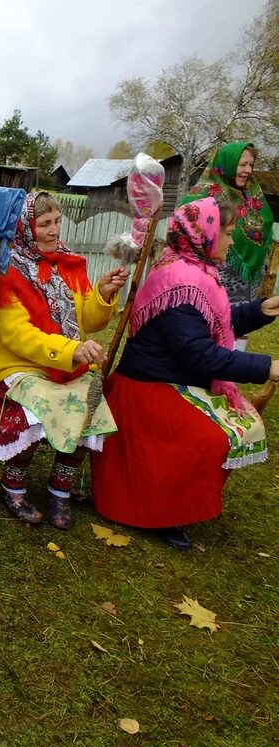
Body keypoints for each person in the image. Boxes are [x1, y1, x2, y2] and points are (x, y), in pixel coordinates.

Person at [93, 197, 278, 551]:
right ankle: (155, 509)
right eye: (227, 232)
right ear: (204, 234)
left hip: (167, 381)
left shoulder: (193, 271)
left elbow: (214, 321)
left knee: (239, 427)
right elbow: (200, 353)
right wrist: (266, 367)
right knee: (211, 439)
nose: (231, 241)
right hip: (145, 390)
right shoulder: (180, 281)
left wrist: (260, 311)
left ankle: (169, 503)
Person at [0, 191, 129, 530]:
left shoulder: (67, 264)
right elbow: (18, 335)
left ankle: (59, 489)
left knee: (88, 405)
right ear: (25, 227)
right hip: (18, 364)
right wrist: (72, 351)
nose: (53, 231)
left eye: (57, 222)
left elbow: (85, 320)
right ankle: (13, 485)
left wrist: (103, 295)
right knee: (37, 407)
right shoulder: (7, 270)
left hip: (63, 361)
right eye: (43, 224)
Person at [180, 142, 274, 317]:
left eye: (251, 165)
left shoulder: (251, 193)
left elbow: (266, 220)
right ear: (227, 164)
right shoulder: (206, 194)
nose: (248, 170)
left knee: (241, 326)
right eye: (242, 164)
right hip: (214, 280)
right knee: (213, 326)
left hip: (247, 283)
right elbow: (184, 225)